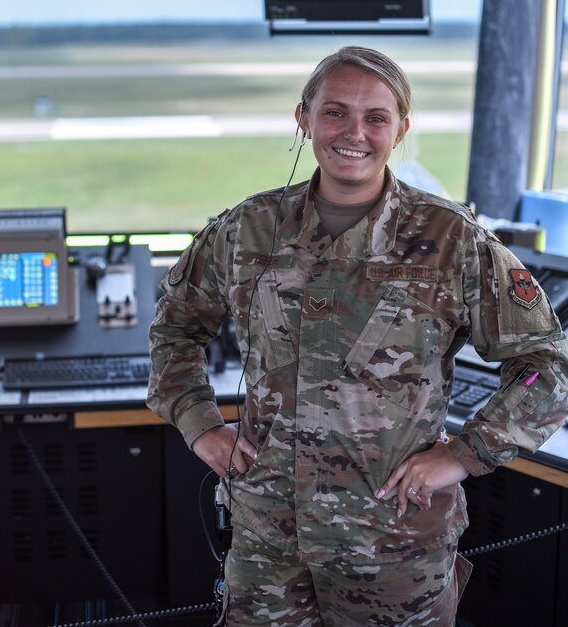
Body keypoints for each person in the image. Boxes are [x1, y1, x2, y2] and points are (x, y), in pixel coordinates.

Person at [147, 46, 568, 626]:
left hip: (392, 543)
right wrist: (201, 426)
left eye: (376, 117)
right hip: (268, 538)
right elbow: (174, 328)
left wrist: (464, 455)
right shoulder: (248, 229)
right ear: (304, 118)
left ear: (400, 131)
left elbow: (547, 366)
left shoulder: (451, 240)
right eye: (334, 112)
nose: (354, 133)